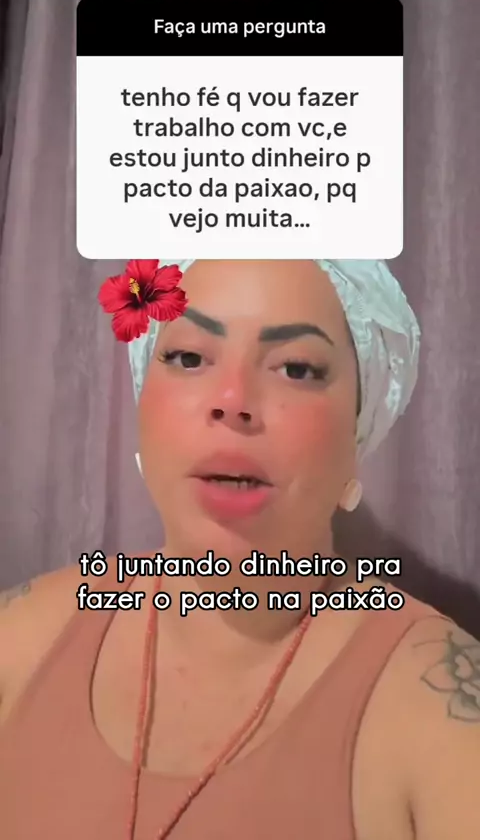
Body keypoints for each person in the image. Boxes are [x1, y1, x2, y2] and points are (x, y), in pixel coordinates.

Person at [0, 258, 479, 840]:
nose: (232, 400)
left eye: (296, 368)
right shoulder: (21, 643)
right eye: (188, 358)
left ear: (358, 429)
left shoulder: (434, 711)